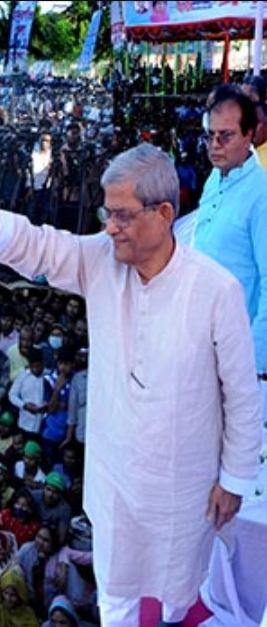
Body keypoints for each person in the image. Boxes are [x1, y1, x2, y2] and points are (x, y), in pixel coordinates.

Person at [0, 128, 261, 626]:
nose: (110, 228)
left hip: (183, 485)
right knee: (117, 598)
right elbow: (34, 245)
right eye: (105, 214)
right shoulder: (101, 261)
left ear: (164, 214)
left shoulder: (217, 289)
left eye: (122, 215)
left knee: (178, 592)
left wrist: (234, 480)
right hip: (115, 481)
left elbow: (242, 395)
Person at [190, 84, 267, 506]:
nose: (214, 145)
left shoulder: (262, 195)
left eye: (225, 136)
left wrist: (252, 366)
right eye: (210, 136)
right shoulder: (213, 182)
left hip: (240, 359)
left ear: (250, 135)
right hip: (200, 343)